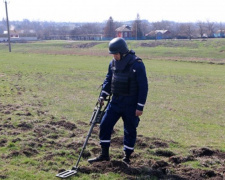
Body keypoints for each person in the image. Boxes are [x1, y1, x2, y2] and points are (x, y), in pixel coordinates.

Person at [88, 37, 148, 165]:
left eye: (115, 54)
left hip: (131, 104)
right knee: (104, 125)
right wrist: (103, 95)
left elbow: (143, 87)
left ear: (123, 52)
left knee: (130, 130)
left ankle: (126, 157)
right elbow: (109, 80)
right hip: (115, 102)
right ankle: (104, 155)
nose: (114, 56)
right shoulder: (113, 63)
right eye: (113, 54)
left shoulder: (137, 64)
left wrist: (140, 106)